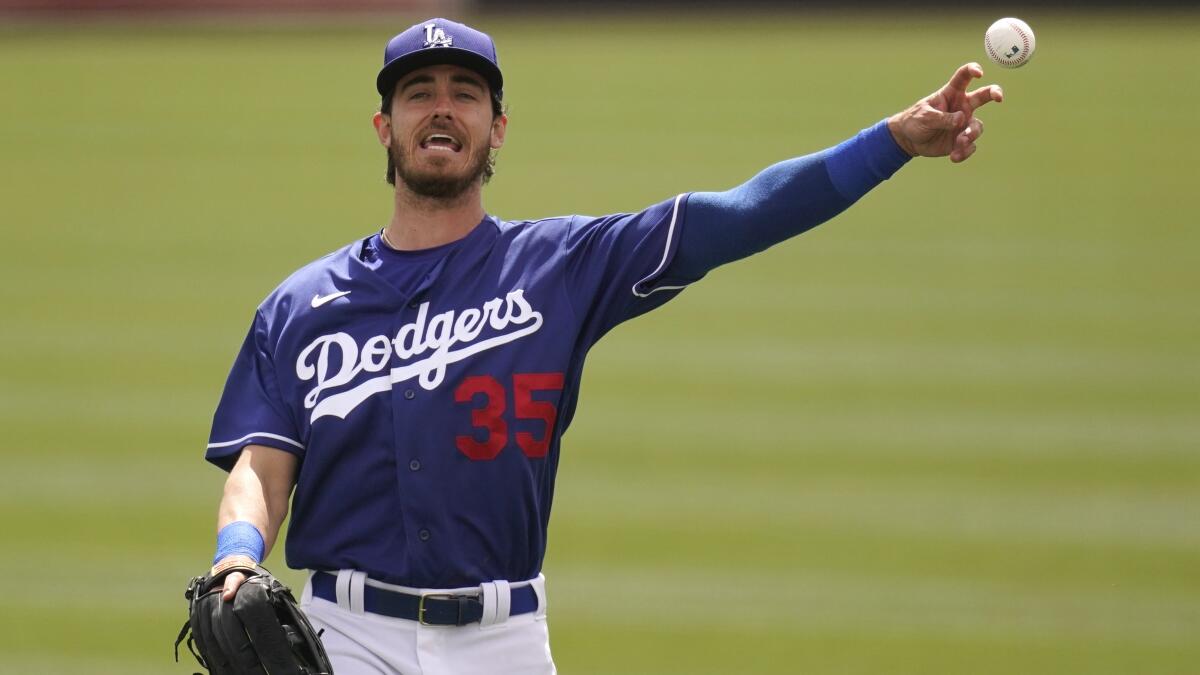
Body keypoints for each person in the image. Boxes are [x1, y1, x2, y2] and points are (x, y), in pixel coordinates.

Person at [202, 17, 1002, 675]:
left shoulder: (563, 266)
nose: (441, 109)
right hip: (347, 637)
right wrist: (237, 556)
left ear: (497, 127)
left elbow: (740, 215)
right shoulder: (302, 304)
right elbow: (262, 468)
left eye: (466, 95)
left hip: (504, 642)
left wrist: (891, 141)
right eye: (418, 94)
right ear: (386, 126)